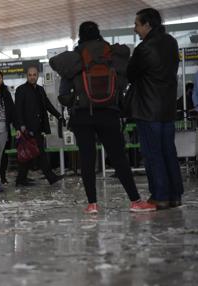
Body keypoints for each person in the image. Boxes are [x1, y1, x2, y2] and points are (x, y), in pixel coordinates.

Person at [51, 21, 156, 213]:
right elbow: (124, 81)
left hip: (82, 115)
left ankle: (92, 204)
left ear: (81, 36)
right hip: (109, 113)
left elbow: (64, 92)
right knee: (118, 157)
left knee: (87, 158)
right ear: (98, 34)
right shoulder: (111, 53)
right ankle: (135, 201)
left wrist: (73, 100)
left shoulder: (75, 57)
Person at [127, 8, 183, 209]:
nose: (135, 29)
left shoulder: (144, 48)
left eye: (137, 25)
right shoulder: (171, 42)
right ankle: (174, 195)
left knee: (153, 153)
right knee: (169, 151)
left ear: (147, 25)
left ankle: (159, 196)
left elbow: (131, 74)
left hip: (148, 110)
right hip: (167, 109)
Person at [15, 66, 63, 186]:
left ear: (37, 76)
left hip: (39, 127)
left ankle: (21, 179)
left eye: (34, 75)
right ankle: (50, 177)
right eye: (30, 75)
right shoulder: (21, 89)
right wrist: (20, 126)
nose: (32, 77)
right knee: (37, 153)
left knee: (29, 153)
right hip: (27, 128)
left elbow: (47, 105)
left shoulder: (40, 90)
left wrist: (59, 116)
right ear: (27, 76)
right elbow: (18, 109)